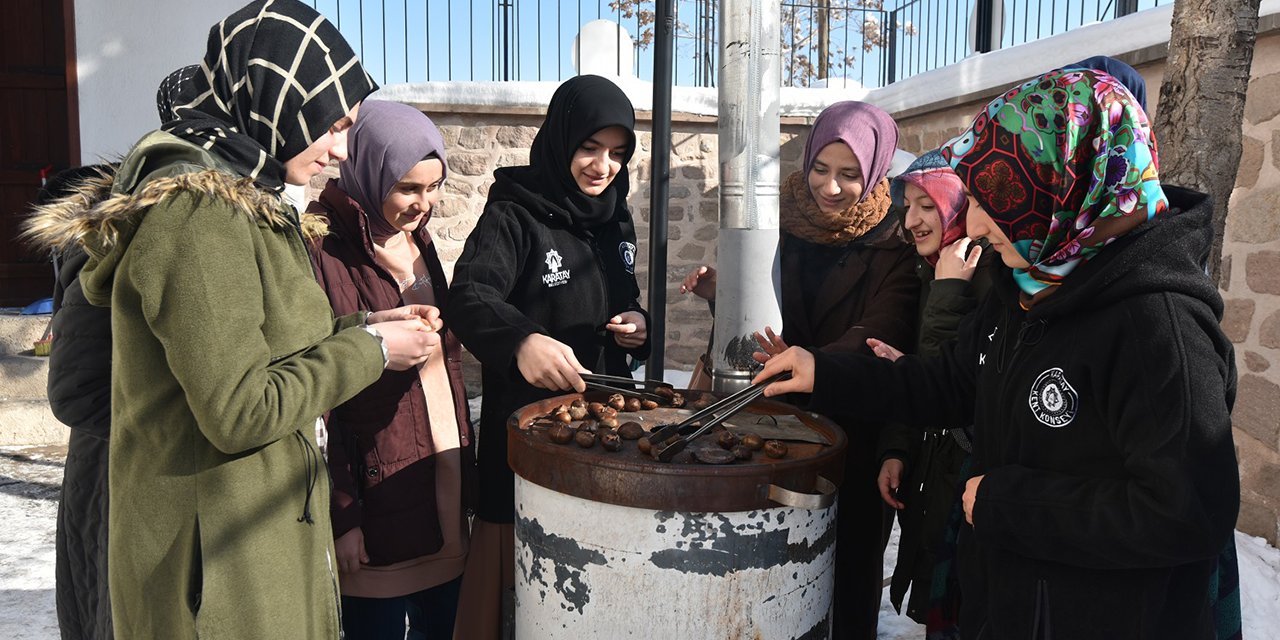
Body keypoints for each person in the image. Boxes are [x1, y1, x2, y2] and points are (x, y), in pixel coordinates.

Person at [755, 68, 1239, 639]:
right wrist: (824, 372)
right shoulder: (1031, 282)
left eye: (996, 199)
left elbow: (1187, 512)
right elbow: (949, 384)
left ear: (1063, 183)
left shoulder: (1157, 323)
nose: (977, 226)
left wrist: (1011, 504)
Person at [21, 1, 441, 637]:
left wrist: (367, 328)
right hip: (213, 573)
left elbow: (265, 347)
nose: (341, 149)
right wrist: (372, 353)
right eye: (331, 125)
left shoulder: (249, 201)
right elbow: (242, 407)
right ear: (280, 103)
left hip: (242, 546)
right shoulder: (200, 215)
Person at [682, 100, 918, 639]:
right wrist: (725, 295)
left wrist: (818, 364)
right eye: (820, 169)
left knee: (849, 576)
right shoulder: (777, 223)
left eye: (849, 174)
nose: (829, 187)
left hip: (853, 432)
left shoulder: (893, 241)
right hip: (775, 431)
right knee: (773, 573)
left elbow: (884, 328)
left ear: (877, 169)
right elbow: (763, 315)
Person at [447, 74, 650, 639]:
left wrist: (638, 324)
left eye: (617, 153)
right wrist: (520, 341)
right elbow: (468, 295)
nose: (602, 166)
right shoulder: (514, 214)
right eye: (589, 147)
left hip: (604, 437)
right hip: (528, 446)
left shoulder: (616, 217)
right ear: (561, 140)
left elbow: (623, 297)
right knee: (523, 601)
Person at [307, 99, 472, 639]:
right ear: (367, 169)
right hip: (375, 492)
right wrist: (344, 517)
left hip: (439, 477)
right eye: (408, 188)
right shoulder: (323, 248)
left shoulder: (415, 239)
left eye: (433, 188)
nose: (423, 204)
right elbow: (322, 396)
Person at [870, 150, 999, 637]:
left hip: (967, 473)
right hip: (934, 468)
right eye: (908, 205)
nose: (914, 219)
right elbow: (915, 373)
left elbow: (952, 381)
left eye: (928, 204)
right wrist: (897, 448)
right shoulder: (930, 268)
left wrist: (949, 293)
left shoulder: (979, 273)